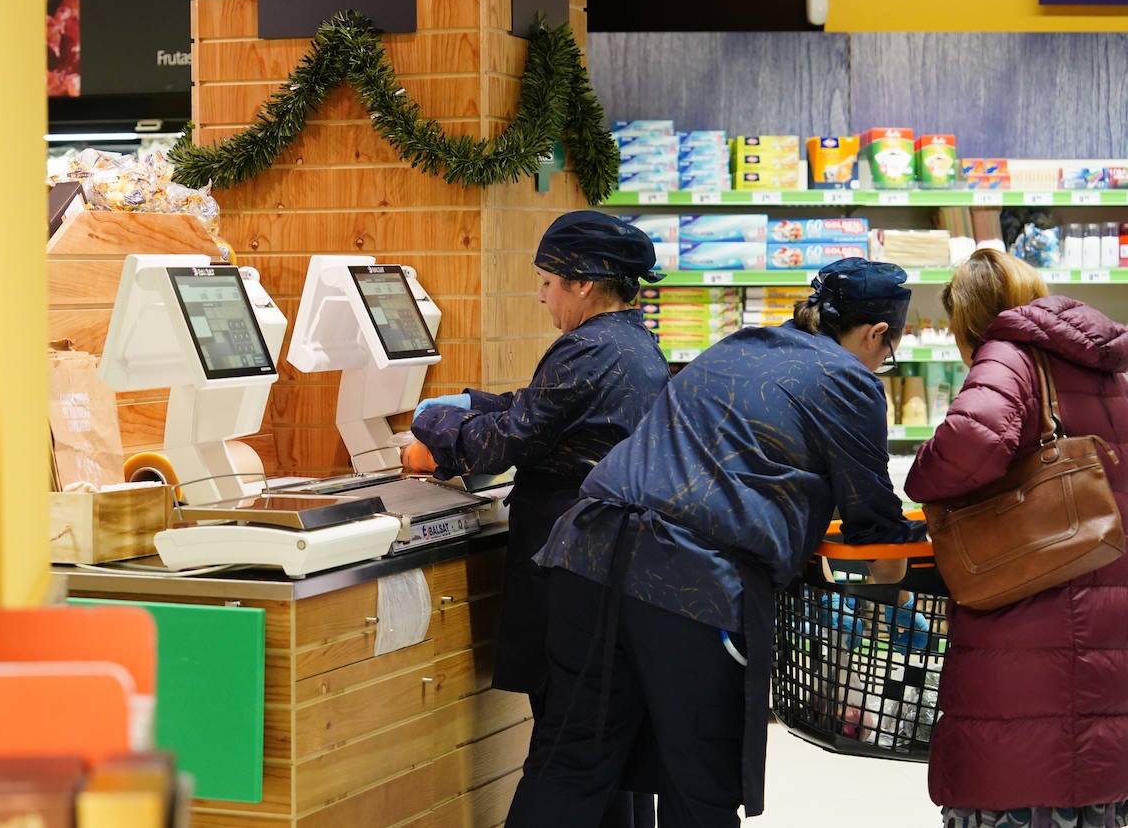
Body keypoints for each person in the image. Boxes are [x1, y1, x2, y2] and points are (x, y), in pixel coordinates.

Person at [505, 257, 927, 827]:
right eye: (887, 349)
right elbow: (871, 517)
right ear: (878, 332)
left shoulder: (739, 344)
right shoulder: (848, 380)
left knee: (570, 759)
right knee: (699, 779)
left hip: (588, 549)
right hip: (693, 582)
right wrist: (903, 565)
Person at [410, 209, 669, 828]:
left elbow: (501, 444)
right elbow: (546, 409)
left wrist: (434, 423)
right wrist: (476, 401)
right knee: (605, 749)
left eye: (548, 281)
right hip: (613, 564)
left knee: (566, 745)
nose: (541, 295)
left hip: (576, 563)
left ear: (583, 283)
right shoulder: (631, 340)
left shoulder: (590, 347)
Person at [903, 248, 1128, 828]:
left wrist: (919, 475)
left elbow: (970, 443)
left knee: (1025, 756)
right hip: (1107, 591)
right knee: (1096, 761)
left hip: (1032, 599)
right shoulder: (1103, 366)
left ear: (969, 318)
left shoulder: (1006, 353)